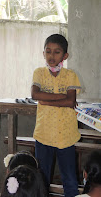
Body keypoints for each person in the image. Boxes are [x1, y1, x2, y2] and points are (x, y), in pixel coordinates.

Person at [31, 34, 81, 197]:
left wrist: (46, 99)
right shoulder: (39, 73)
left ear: (65, 56)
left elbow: (70, 101)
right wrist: (62, 96)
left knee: (70, 180)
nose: (52, 56)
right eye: (48, 51)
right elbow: (35, 94)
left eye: (57, 52)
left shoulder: (70, 75)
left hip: (66, 135)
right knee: (42, 179)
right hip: (44, 134)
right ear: (43, 53)